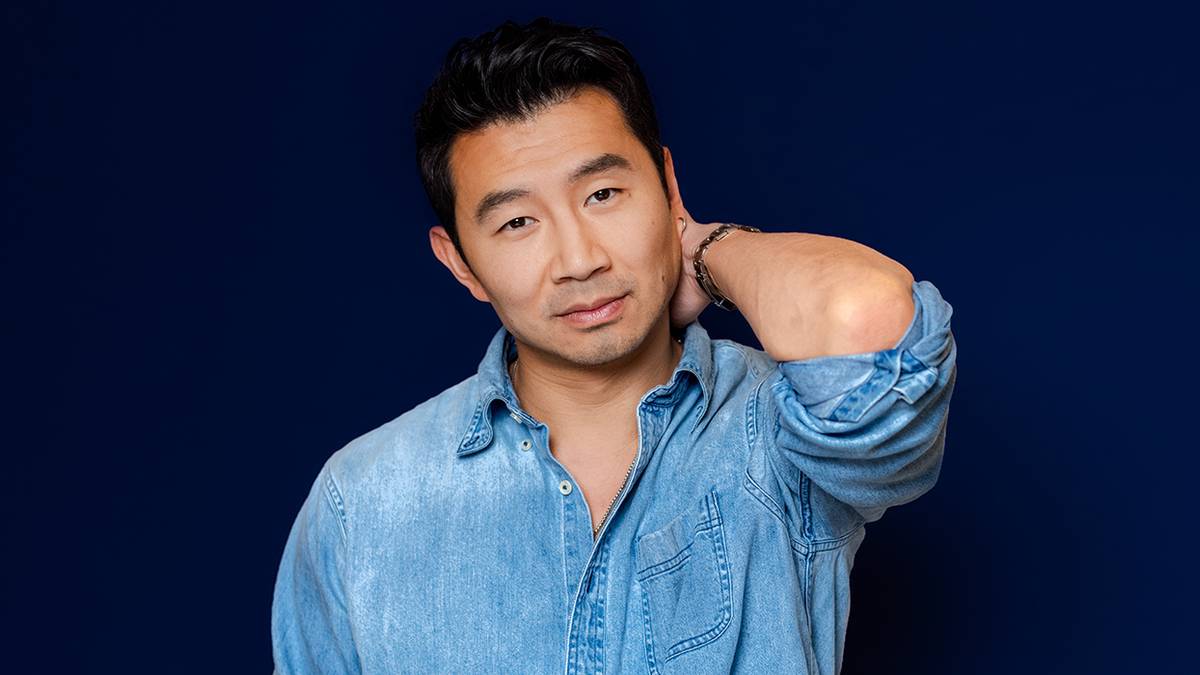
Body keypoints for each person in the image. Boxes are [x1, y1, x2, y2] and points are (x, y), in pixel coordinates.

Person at [271, 16, 957, 674]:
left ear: (667, 186)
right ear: (460, 263)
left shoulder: (773, 429)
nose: (579, 260)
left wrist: (708, 252)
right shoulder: (363, 499)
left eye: (602, 193)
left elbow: (866, 317)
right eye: (516, 222)